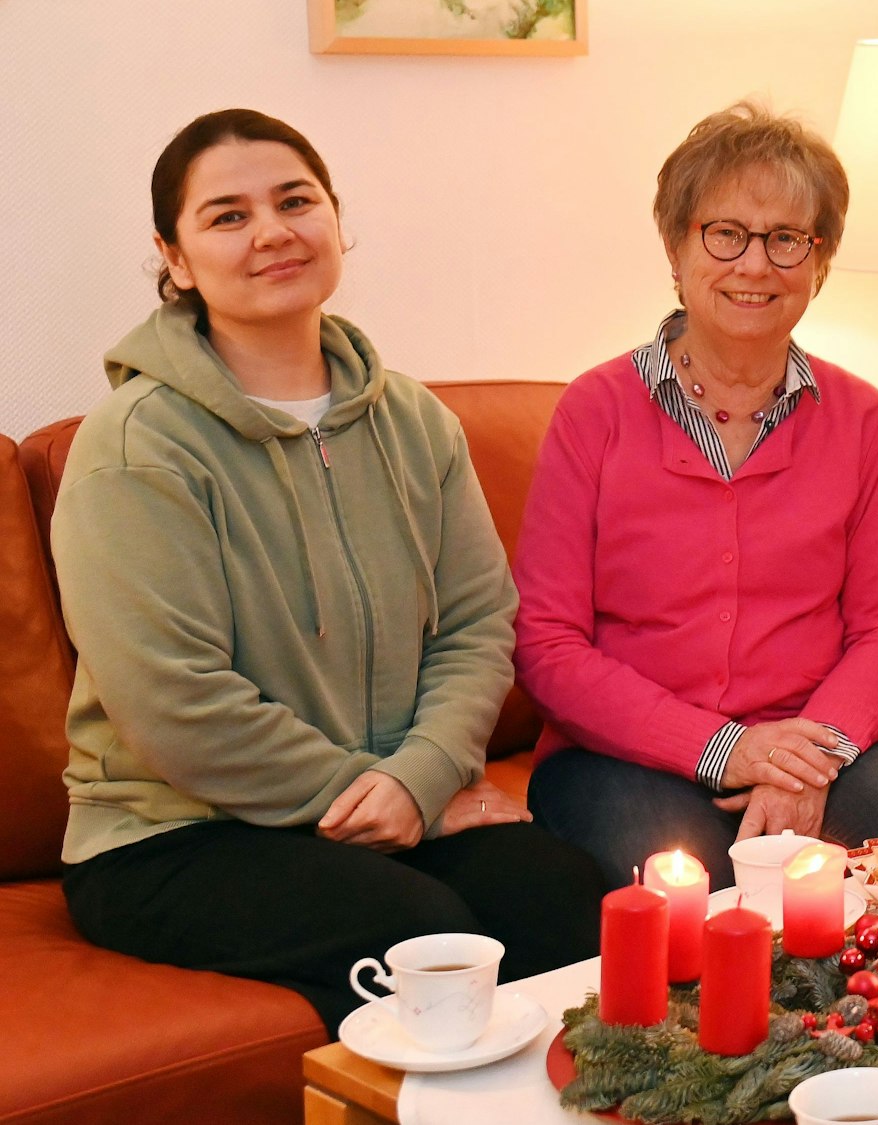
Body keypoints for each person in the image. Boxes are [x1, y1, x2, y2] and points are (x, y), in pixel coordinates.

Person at [55, 109, 604, 1036]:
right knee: (424, 943)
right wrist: (398, 799)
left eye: (295, 200)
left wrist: (419, 777)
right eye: (226, 215)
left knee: (572, 900)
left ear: (335, 221)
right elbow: (172, 701)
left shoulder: (414, 420)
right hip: (171, 838)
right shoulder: (136, 448)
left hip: (390, 796)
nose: (271, 230)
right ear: (175, 258)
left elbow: (477, 622)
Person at [513, 102, 878, 889]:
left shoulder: (861, 417)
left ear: (819, 263)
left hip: (815, 744)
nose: (755, 265)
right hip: (619, 754)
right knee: (700, 880)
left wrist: (807, 755)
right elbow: (547, 645)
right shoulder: (595, 411)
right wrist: (724, 748)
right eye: (725, 233)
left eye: (787, 239)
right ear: (676, 246)